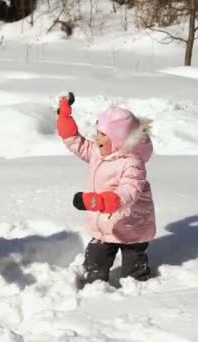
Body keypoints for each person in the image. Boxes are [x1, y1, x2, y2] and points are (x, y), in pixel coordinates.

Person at [56, 94, 157, 287]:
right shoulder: (98, 152)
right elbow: (76, 143)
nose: (97, 137)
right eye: (98, 132)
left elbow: (129, 192)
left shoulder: (133, 163)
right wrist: (64, 118)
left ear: (118, 139)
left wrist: (101, 202)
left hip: (132, 224)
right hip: (106, 224)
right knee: (95, 259)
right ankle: (93, 287)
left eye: (103, 134)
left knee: (133, 274)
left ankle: (138, 290)